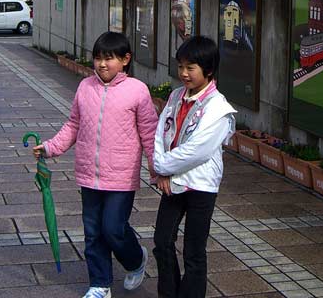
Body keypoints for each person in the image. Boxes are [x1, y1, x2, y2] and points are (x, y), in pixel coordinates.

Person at [33, 32, 158, 298]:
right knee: (92, 232)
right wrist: (50, 147)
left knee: (113, 229)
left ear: (125, 60)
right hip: (89, 174)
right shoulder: (85, 87)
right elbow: (74, 125)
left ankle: (136, 260)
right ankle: (100, 284)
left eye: (109, 58)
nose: (102, 64)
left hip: (122, 176)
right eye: (98, 58)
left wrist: (156, 166)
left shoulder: (137, 90)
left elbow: (149, 131)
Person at [153, 35, 236, 298]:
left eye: (191, 68)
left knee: (194, 251)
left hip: (200, 186)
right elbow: (160, 132)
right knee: (162, 241)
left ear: (208, 70)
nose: (184, 73)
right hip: (172, 181)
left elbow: (197, 151)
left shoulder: (218, 108)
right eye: (181, 67)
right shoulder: (177, 95)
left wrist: (163, 168)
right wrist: (161, 168)